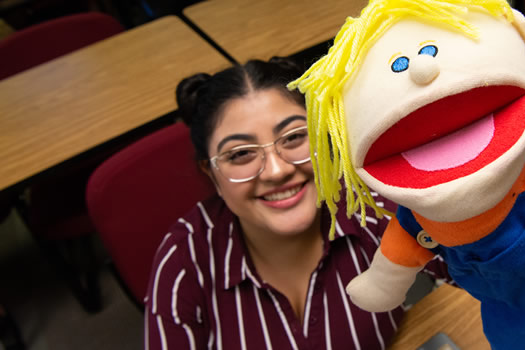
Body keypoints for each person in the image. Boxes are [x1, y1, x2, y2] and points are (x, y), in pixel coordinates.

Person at [144, 58, 449, 349]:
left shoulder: (370, 206)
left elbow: (479, 265)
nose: (277, 171)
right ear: (211, 174)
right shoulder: (185, 259)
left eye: (293, 137)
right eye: (240, 154)